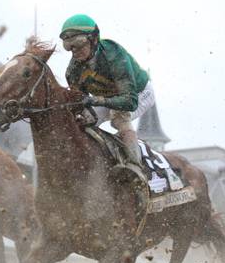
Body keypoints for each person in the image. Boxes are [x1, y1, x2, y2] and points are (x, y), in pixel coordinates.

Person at [60, 14, 155, 171]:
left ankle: (135, 168)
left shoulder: (114, 56)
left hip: (139, 93)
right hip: (111, 97)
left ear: (94, 39)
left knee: (118, 117)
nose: (76, 52)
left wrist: (97, 101)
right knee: (81, 121)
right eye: (71, 47)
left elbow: (129, 101)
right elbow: (79, 105)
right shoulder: (73, 71)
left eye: (80, 45)